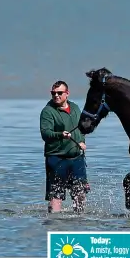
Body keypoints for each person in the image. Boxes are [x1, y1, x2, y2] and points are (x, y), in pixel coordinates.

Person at [39, 80, 89, 213]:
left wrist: (82, 141)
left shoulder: (75, 108)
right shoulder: (47, 111)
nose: (56, 95)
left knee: (80, 193)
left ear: (67, 94)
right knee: (56, 196)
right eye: (53, 93)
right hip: (57, 159)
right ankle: (55, 224)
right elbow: (45, 133)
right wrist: (60, 134)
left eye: (59, 93)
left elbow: (81, 128)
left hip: (77, 158)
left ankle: (80, 221)